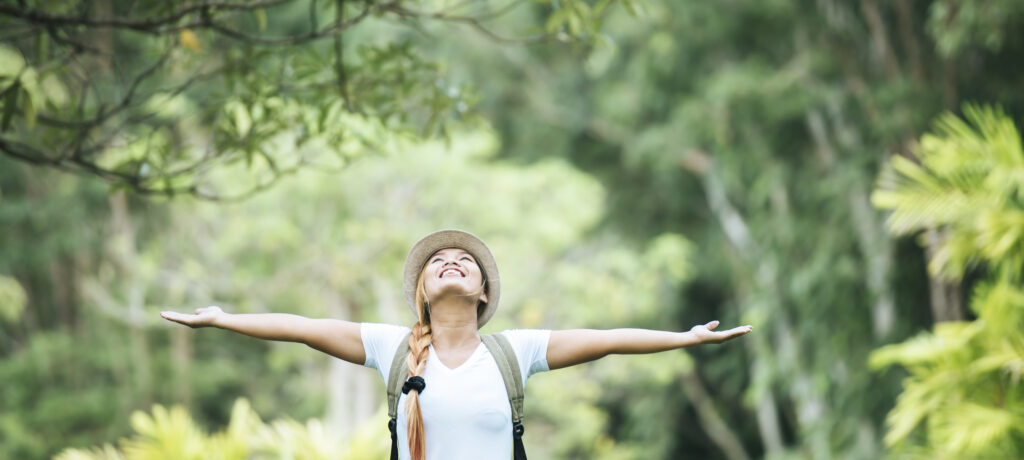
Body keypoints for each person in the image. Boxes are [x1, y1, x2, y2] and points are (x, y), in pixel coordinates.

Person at [161, 229, 752, 460]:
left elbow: (606, 340)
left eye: (463, 262)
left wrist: (681, 338)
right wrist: (223, 319)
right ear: (422, 291)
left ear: (482, 291)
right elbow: (299, 325)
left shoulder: (513, 353)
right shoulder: (389, 347)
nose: (451, 264)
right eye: (439, 262)